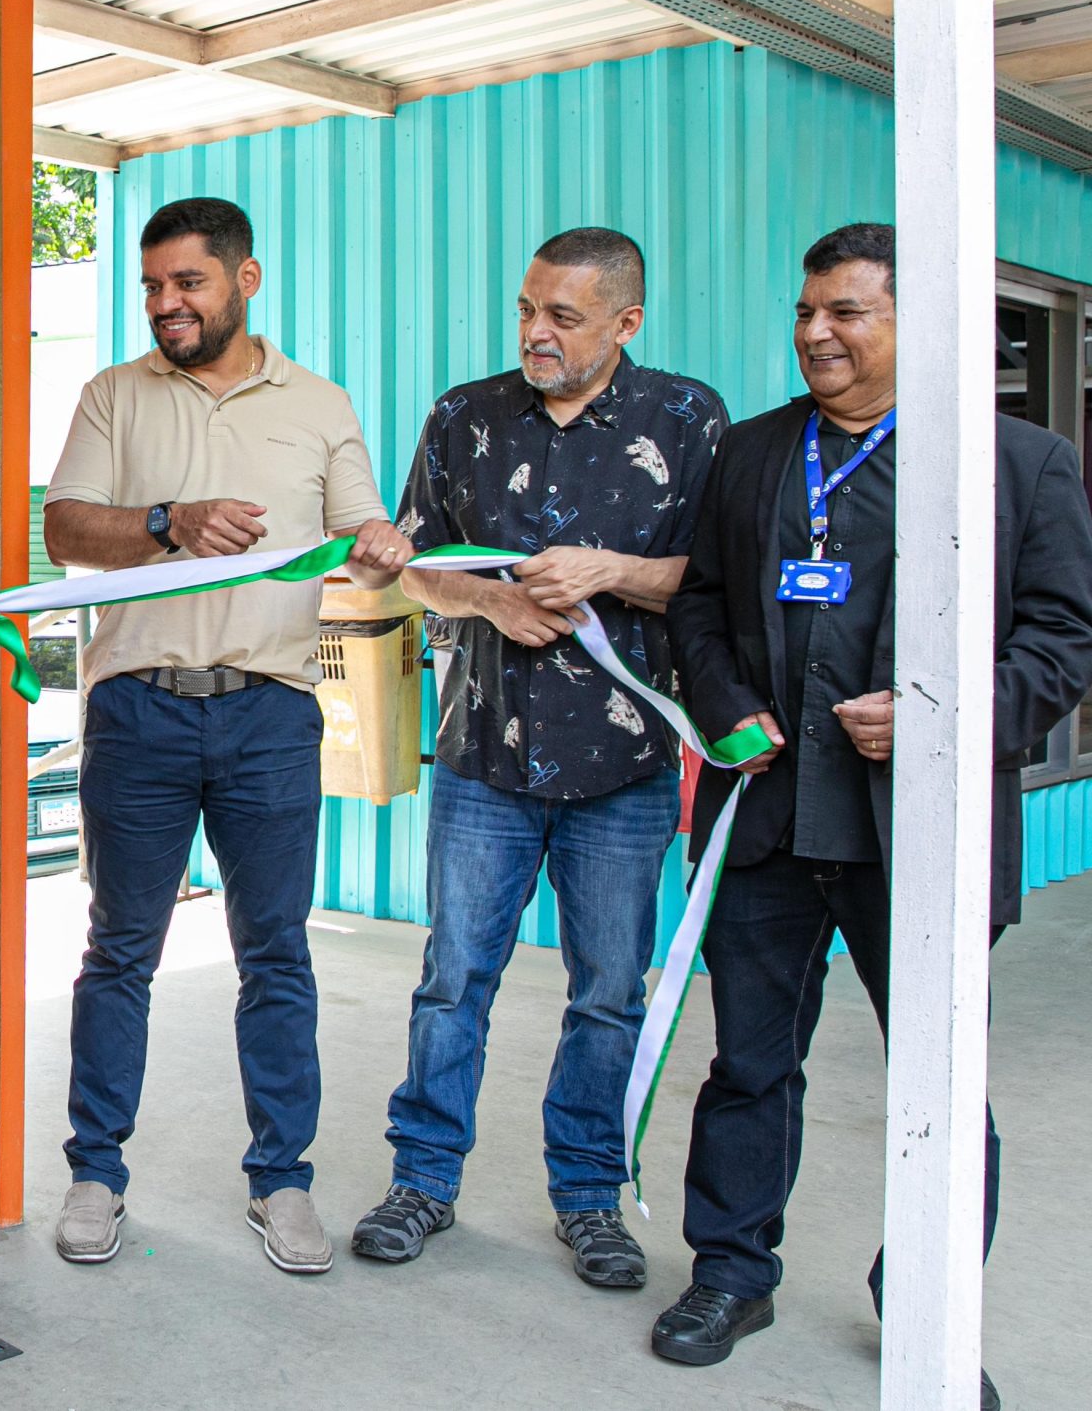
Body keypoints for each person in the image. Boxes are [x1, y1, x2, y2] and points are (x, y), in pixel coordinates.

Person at [653, 224, 1092, 1401]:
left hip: (922, 839)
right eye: (806, 311)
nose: (815, 334)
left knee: (939, 1084)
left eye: (846, 312)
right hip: (765, 824)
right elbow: (695, 607)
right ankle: (731, 1272)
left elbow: (1063, 642)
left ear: (915, 322)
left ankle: (930, 1310)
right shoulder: (749, 455)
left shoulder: (1017, 464)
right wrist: (728, 701)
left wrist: (946, 718)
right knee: (748, 1067)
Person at [352, 228, 728, 1284]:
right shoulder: (462, 417)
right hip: (482, 755)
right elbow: (408, 568)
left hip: (626, 766)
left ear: (625, 322)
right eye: (527, 308)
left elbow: (713, 577)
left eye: (562, 315)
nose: (534, 332)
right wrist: (488, 600)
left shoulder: (688, 419)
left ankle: (588, 1198)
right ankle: (423, 1181)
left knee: (608, 988)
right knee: (451, 979)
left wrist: (611, 568)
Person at [41, 196, 408, 1274]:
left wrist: (381, 548)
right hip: (137, 711)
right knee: (118, 953)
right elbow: (65, 527)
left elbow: (359, 539)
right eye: (152, 286)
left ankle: (281, 1184)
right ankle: (95, 1174)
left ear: (244, 281)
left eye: (187, 284)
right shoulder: (113, 395)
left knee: (275, 957)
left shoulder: (320, 404)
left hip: (269, 716)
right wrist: (167, 521)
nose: (165, 305)